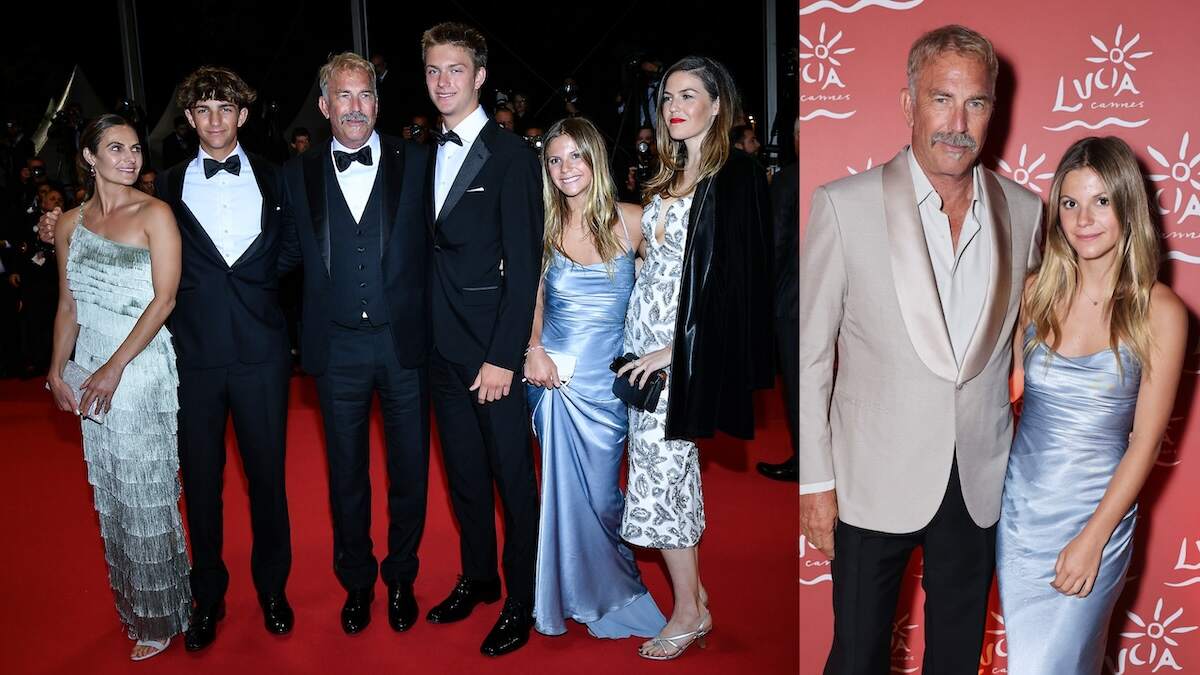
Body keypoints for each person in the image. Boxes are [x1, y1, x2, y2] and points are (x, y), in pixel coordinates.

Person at [797, 25, 1043, 673]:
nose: (957, 122)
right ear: (909, 104)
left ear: (996, 109)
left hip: (980, 480)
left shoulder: (1027, 213)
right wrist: (816, 483)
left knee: (959, 657)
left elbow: (1035, 345)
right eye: (941, 99)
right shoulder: (843, 207)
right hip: (869, 480)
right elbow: (812, 356)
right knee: (856, 656)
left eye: (977, 103)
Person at [39, 66, 297, 651]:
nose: (215, 120)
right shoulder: (168, 189)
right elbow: (108, 246)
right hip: (192, 358)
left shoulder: (280, 180)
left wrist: (250, 291)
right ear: (188, 121)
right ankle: (208, 598)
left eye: (226, 110)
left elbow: (294, 249)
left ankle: (273, 591)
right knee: (200, 485)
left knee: (268, 482)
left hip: (261, 355)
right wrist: (53, 222)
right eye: (203, 110)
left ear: (243, 117)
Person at [997, 136, 1186, 673]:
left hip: (1097, 514)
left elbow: (1145, 442)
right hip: (1021, 513)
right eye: (1071, 202)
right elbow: (1001, 395)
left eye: (1102, 201)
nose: (1084, 219)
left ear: (1128, 206)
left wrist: (1093, 539)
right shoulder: (1034, 291)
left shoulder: (1160, 311)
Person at [615, 55, 773, 660]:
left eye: (689, 95)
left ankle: (688, 612)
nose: (675, 106)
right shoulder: (667, 175)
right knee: (660, 472)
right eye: (668, 97)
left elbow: (739, 286)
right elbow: (653, 264)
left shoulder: (736, 176)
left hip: (679, 355)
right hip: (642, 347)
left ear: (717, 104)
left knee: (663, 476)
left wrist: (677, 350)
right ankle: (695, 600)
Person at [278, 52, 431, 637]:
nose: (355, 107)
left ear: (377, 102)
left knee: (410, 470)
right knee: (346, 474)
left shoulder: (416, 162)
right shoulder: (296, 173)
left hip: (403, 345)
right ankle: (359, 581)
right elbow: (280, 249)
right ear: (324, 106)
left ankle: (401, 577)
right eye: (343, 96)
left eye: (365, 95)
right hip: (335, 349)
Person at [45, 113, 189, 661]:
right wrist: (59, 369)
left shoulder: (155, 214)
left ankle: (161, 614)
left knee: (144, 490)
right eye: (116, 149)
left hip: (141, 364)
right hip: (89, 365)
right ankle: (138, 603)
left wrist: (114, 368)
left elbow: (164, 300)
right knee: (111, 489)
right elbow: (67, 304)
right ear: (89, 157)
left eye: (135, 149)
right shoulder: (69, 224)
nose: (131, 159)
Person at [421, 22, 543, 657]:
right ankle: (479, 577)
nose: (444, 82)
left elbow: (524, 270)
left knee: (512, 484)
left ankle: (522, 600)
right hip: (438, 352)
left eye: (455, 70)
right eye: (434, 71)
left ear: (480, 76)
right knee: (465, 477)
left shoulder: (513, 157)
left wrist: (505, 357)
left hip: (492, 355)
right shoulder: (419, 152)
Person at [523, 117, 667, 640]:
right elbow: (533, 297)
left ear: (595, 160)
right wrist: (533, 351)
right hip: (554, 381)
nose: (566, 169)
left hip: (611, 385)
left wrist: (669, 347)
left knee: (606, 498)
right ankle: (566, 594)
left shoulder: (634, 221)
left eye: (575, 156)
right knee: (560, 493)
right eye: (555, 159)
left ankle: (611, 589)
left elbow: (680, 284)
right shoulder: (540, 223)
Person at [757, 116, 799, 482]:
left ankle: (806, 462)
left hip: (794, 302)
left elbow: (776, 243)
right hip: (839, 302)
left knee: (800, 388)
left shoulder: (788, 179)